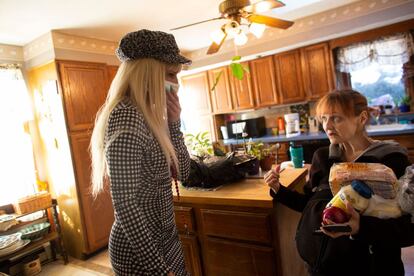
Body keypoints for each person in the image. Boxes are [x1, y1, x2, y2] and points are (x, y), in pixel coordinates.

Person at [264, 90, 414, 276]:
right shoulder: (322, 157)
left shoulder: (390, 161)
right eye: (323, 118)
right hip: (321, 267)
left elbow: (408, 230)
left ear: (362, 118)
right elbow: (311, 204)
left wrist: (361, 227)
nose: (327, 126)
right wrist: (279, 190)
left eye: (336, 118)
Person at [90, 29, 191, 276]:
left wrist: (175, 123)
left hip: (165, 239)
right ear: (148, 73)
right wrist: (158, 269)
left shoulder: (152, 116)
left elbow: (184, 173)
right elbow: (125, 205)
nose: (175, 85)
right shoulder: (127, 116)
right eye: (170, 75)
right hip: (140, 254)